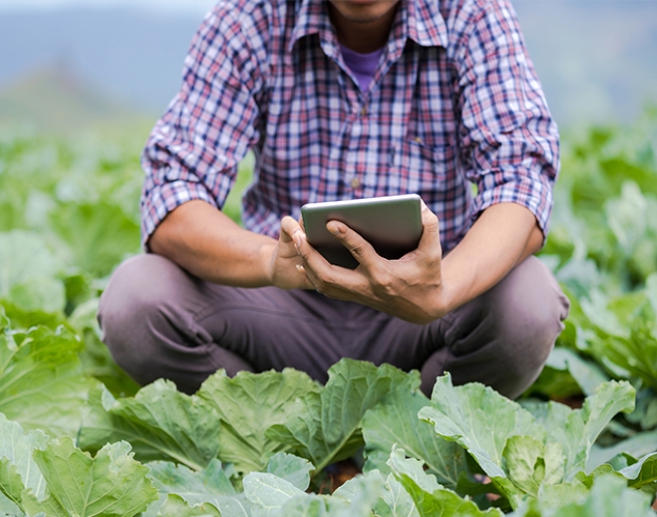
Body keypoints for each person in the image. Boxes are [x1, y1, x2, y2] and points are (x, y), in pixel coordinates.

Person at [98, 0, 570, 399]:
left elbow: (520, 179)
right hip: (282, 306)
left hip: (423, 313)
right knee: (137, 299)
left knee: (526, 304)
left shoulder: (471, 14)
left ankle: (419, 433)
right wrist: (270, 261)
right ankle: (275, 428)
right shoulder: (249, 19)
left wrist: (443, 288)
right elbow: (173, 193)